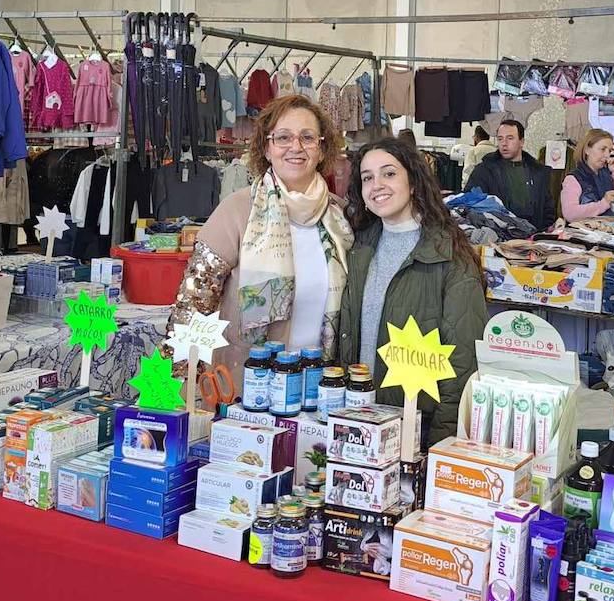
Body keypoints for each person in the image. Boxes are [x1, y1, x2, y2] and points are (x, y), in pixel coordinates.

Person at [168, 94, 352, 380]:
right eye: (283, 137)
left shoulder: (339, 217)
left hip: (320, 387)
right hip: (245, 387)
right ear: (266, 148)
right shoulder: (237, 211)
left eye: (308, 137)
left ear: (321, 148)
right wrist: (179, 382)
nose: (296, 147)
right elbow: (194, 304)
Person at [338, 138, 485, 444]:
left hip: (414, 429)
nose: (377, 184)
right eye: (368, 177)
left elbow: (463, 363)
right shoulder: (358, 248)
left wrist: (442, 445)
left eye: (389, 173)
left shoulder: (449, 256)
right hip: (356, 418)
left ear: (414, 182)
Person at [464, 118, 555, 230]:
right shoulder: (484, 171)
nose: (504, 143)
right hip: (498, 237)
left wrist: (542, 234)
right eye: (500, 139)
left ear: (521, 142)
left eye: (510, 138)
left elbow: (548, 209)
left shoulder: (539, 173)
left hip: (533, 239)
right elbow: (470, 203)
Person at [560, 128, 614, 222]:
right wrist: (603, 204)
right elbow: (570, 213)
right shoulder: (573, 178)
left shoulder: (609, 175)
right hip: (584, 235)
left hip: (607, 233)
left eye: (609, 151)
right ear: (587, 150)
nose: (607, 155)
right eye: (602, 149)